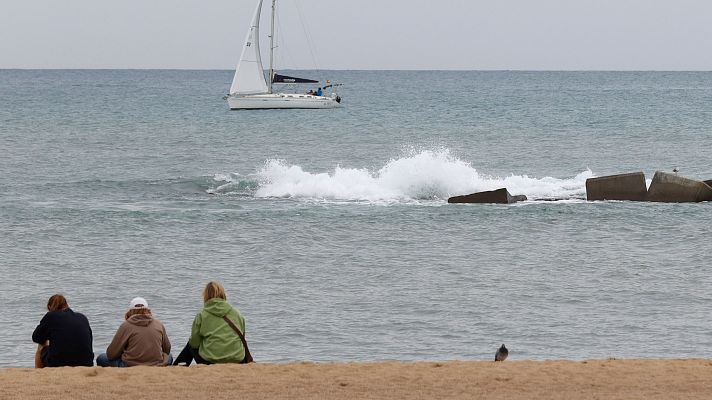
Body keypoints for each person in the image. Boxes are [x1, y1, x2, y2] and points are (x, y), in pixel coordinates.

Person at [173, 281, 248, 365]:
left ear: (205, 296)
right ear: (223, 294)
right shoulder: (237, 313)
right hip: (237, 359)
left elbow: (195, 343)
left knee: (191, 344)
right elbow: (242, 337)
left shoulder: (201, 315)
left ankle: (178, 365)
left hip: (210, 361)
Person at [96, 297, 172, 367]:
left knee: (101, 358)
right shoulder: (159, 324)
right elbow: (167, 349)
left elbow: (111, 354)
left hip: (130, 365)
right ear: (148, 310)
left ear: (130, 311)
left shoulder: (126, 325)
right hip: (156, 364)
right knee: (170, 356)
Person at [32, 294, 94, 368]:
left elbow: (36, 338)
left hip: (59, 363)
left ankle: (38, 374)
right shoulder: (82, 317)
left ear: (49, 307)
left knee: (41, 344)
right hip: (87, 362)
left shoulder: (51, 316)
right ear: (67, 304)